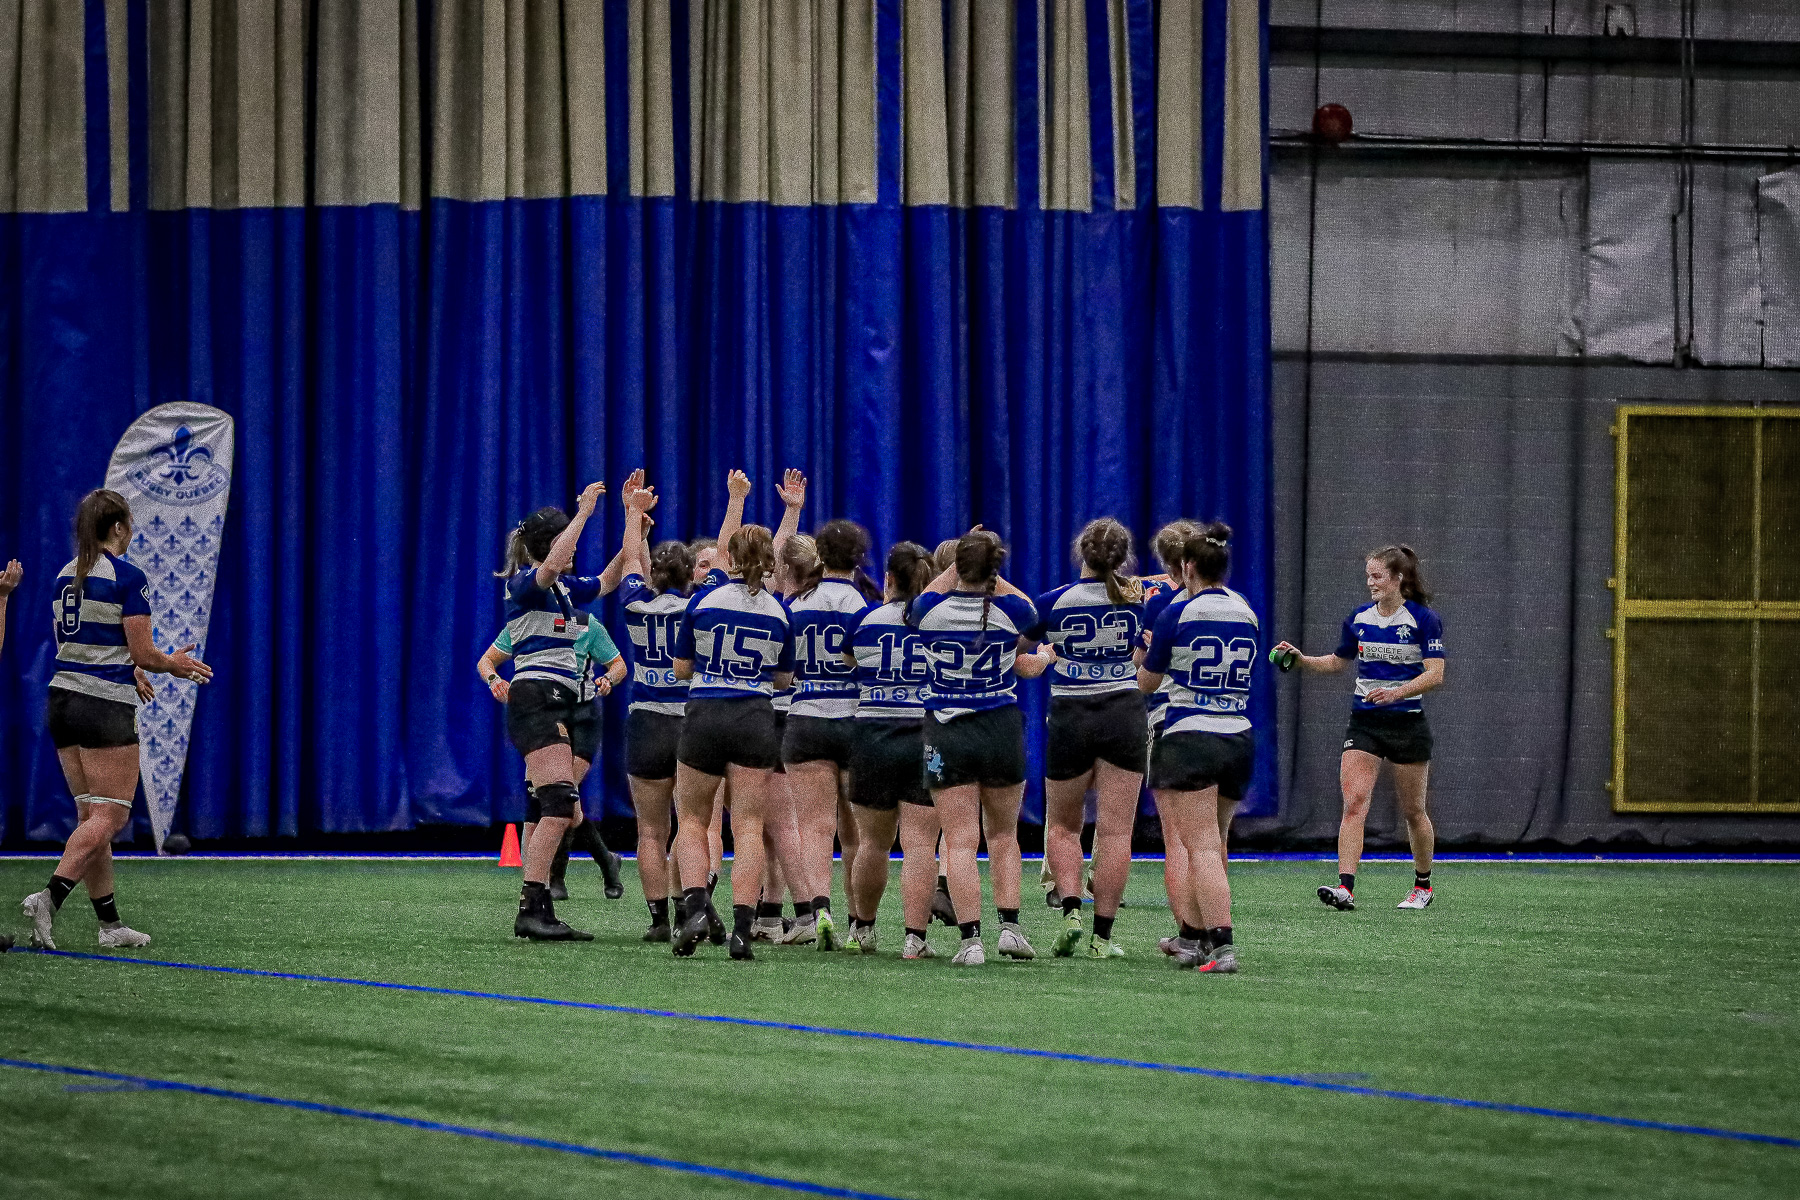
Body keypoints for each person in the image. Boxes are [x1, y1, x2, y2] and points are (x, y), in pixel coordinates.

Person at [22, 490, 212, 951]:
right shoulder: (127, 577)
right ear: (119, 528)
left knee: (92, 816)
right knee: (112, 814)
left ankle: (110, 927)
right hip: (102, 705)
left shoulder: (64, 576)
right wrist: (173, 663)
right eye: (130, 523)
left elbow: (82, 645)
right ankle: (50, 896)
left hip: (63, 701)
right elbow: (144, 649)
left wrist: (133, 667)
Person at [911, 529, 1056, 966]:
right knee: (1004, 835)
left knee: (958, 841)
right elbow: (1033, 614)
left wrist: (961, 559)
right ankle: (1010, 928)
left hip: (948, 731)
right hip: (1000, 729)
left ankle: (970, 939)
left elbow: (930, 591)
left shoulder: (929, 610)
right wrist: (993, 568)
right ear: (993, 569)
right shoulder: (1012, 610)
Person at [1273, 545, 1445, 911]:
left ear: (1398, 578)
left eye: (1377, 576)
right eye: (1368, 576)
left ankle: (1423, 886)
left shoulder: (1423, 620)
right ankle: (1345, 888)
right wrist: (1302, 660)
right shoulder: (1359, 619)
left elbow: (1436, 673)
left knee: (1414, 811)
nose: (1371, 583)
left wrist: (1397, 692)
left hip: (1407, 724)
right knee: (1354, 803)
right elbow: (1337, 663)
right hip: (1364, 722)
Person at [669, 517, 804, 960]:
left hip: (706, 711)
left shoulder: (704, 602)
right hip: (754, 715)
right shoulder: (780, 612)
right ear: (769, 563)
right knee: (747, 825)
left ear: (729, 558)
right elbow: (784, 679)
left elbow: (682, 669)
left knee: (691, 818)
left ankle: (692, 908)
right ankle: (743, 929)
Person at [1138, 521, 1256, 974]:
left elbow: (1149, 681)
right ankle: (1191, 937)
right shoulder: (1246, 609)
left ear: (1187, 568)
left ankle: (1221, 945)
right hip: (1239, 733)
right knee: (1215, 840)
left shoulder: (1175, 612)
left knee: (1198, 847)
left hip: (1191, 733)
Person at [495, 480, 609, 941]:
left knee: (558, 805)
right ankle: (533, 907)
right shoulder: (526, 582)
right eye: (569, 540)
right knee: (557, 805)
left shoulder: (563, 590)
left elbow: (610, 579)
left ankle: (535, 907)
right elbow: (549, 568)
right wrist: (582, 515)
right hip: (534, 699)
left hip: (552, 702)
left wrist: (632, 527)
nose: (576, 548)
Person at [1035, 518, 1149, 960]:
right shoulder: (1140, 602)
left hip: (1071, 716)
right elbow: (1146, 652)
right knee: (1116, 832)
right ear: (1123, 557)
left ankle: (1070, 913)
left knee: (1063, 825)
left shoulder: (1053, 602)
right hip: (1124, 713)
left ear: (1081, 552)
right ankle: (1103, 936)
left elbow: (1022, 645)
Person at [477, 603, 627, 904]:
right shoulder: (527, 622)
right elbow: (486, 662)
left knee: (560, 797)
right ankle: (599, 862)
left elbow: (619, 664)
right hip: (545, 714)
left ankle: (552, 878)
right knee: (552, 801)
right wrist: (495, 681)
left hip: (581, 716)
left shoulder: (585, 624)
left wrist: (608, 679)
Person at [780, 518, 880, 950]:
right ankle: (861, 923)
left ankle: (818, 910)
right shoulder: (865, 607)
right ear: (860, 559)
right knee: (856, 832)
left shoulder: (795, 606)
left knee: (814, 827)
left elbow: (781, 671)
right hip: (854, 721)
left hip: (805, 717)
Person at [844, 541, 939, 958]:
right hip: (926, 734)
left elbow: (848, 660)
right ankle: (914, 939)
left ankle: (862, 928)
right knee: (921, 845)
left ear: (890, 578)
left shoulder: (866, 619)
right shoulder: (940, 622)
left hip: (873, 735)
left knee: (871, 843)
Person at [1138, 520, 1210, 955]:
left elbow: (1144, 670)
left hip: (1170, 717)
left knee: (1179, 840)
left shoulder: (1159, 604)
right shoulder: (1228, 603)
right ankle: (1216, 927)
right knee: (1212, 838)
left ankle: (1189, 933)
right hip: (1225, 723)